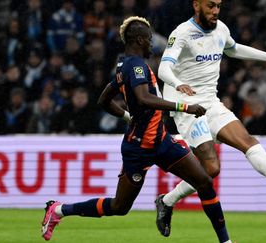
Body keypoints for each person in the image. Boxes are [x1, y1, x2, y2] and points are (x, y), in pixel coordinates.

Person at [41, 16, 233, 243]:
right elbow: (143, 98)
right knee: (119, 206)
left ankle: (225, 241)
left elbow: (104, 100)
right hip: (138, 148)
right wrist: (185, 107)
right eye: (150, 39)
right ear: (140, 40)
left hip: (161, 142)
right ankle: (59, 210)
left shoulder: (124, 65)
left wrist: (126, 116)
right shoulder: (136, 65)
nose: (152, 43)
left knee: (204, 181)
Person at [156, 0, 266, 237]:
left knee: (247, 140)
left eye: (218, 6)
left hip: (211, 102)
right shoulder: (182, 33)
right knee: (211, 169)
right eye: (210, 6)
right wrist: (178, 83)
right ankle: (168, 200)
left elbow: (233, 49)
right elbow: (164, 69)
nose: (215, 11)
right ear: (196, 5)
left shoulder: (221, 29)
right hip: (187, 107)